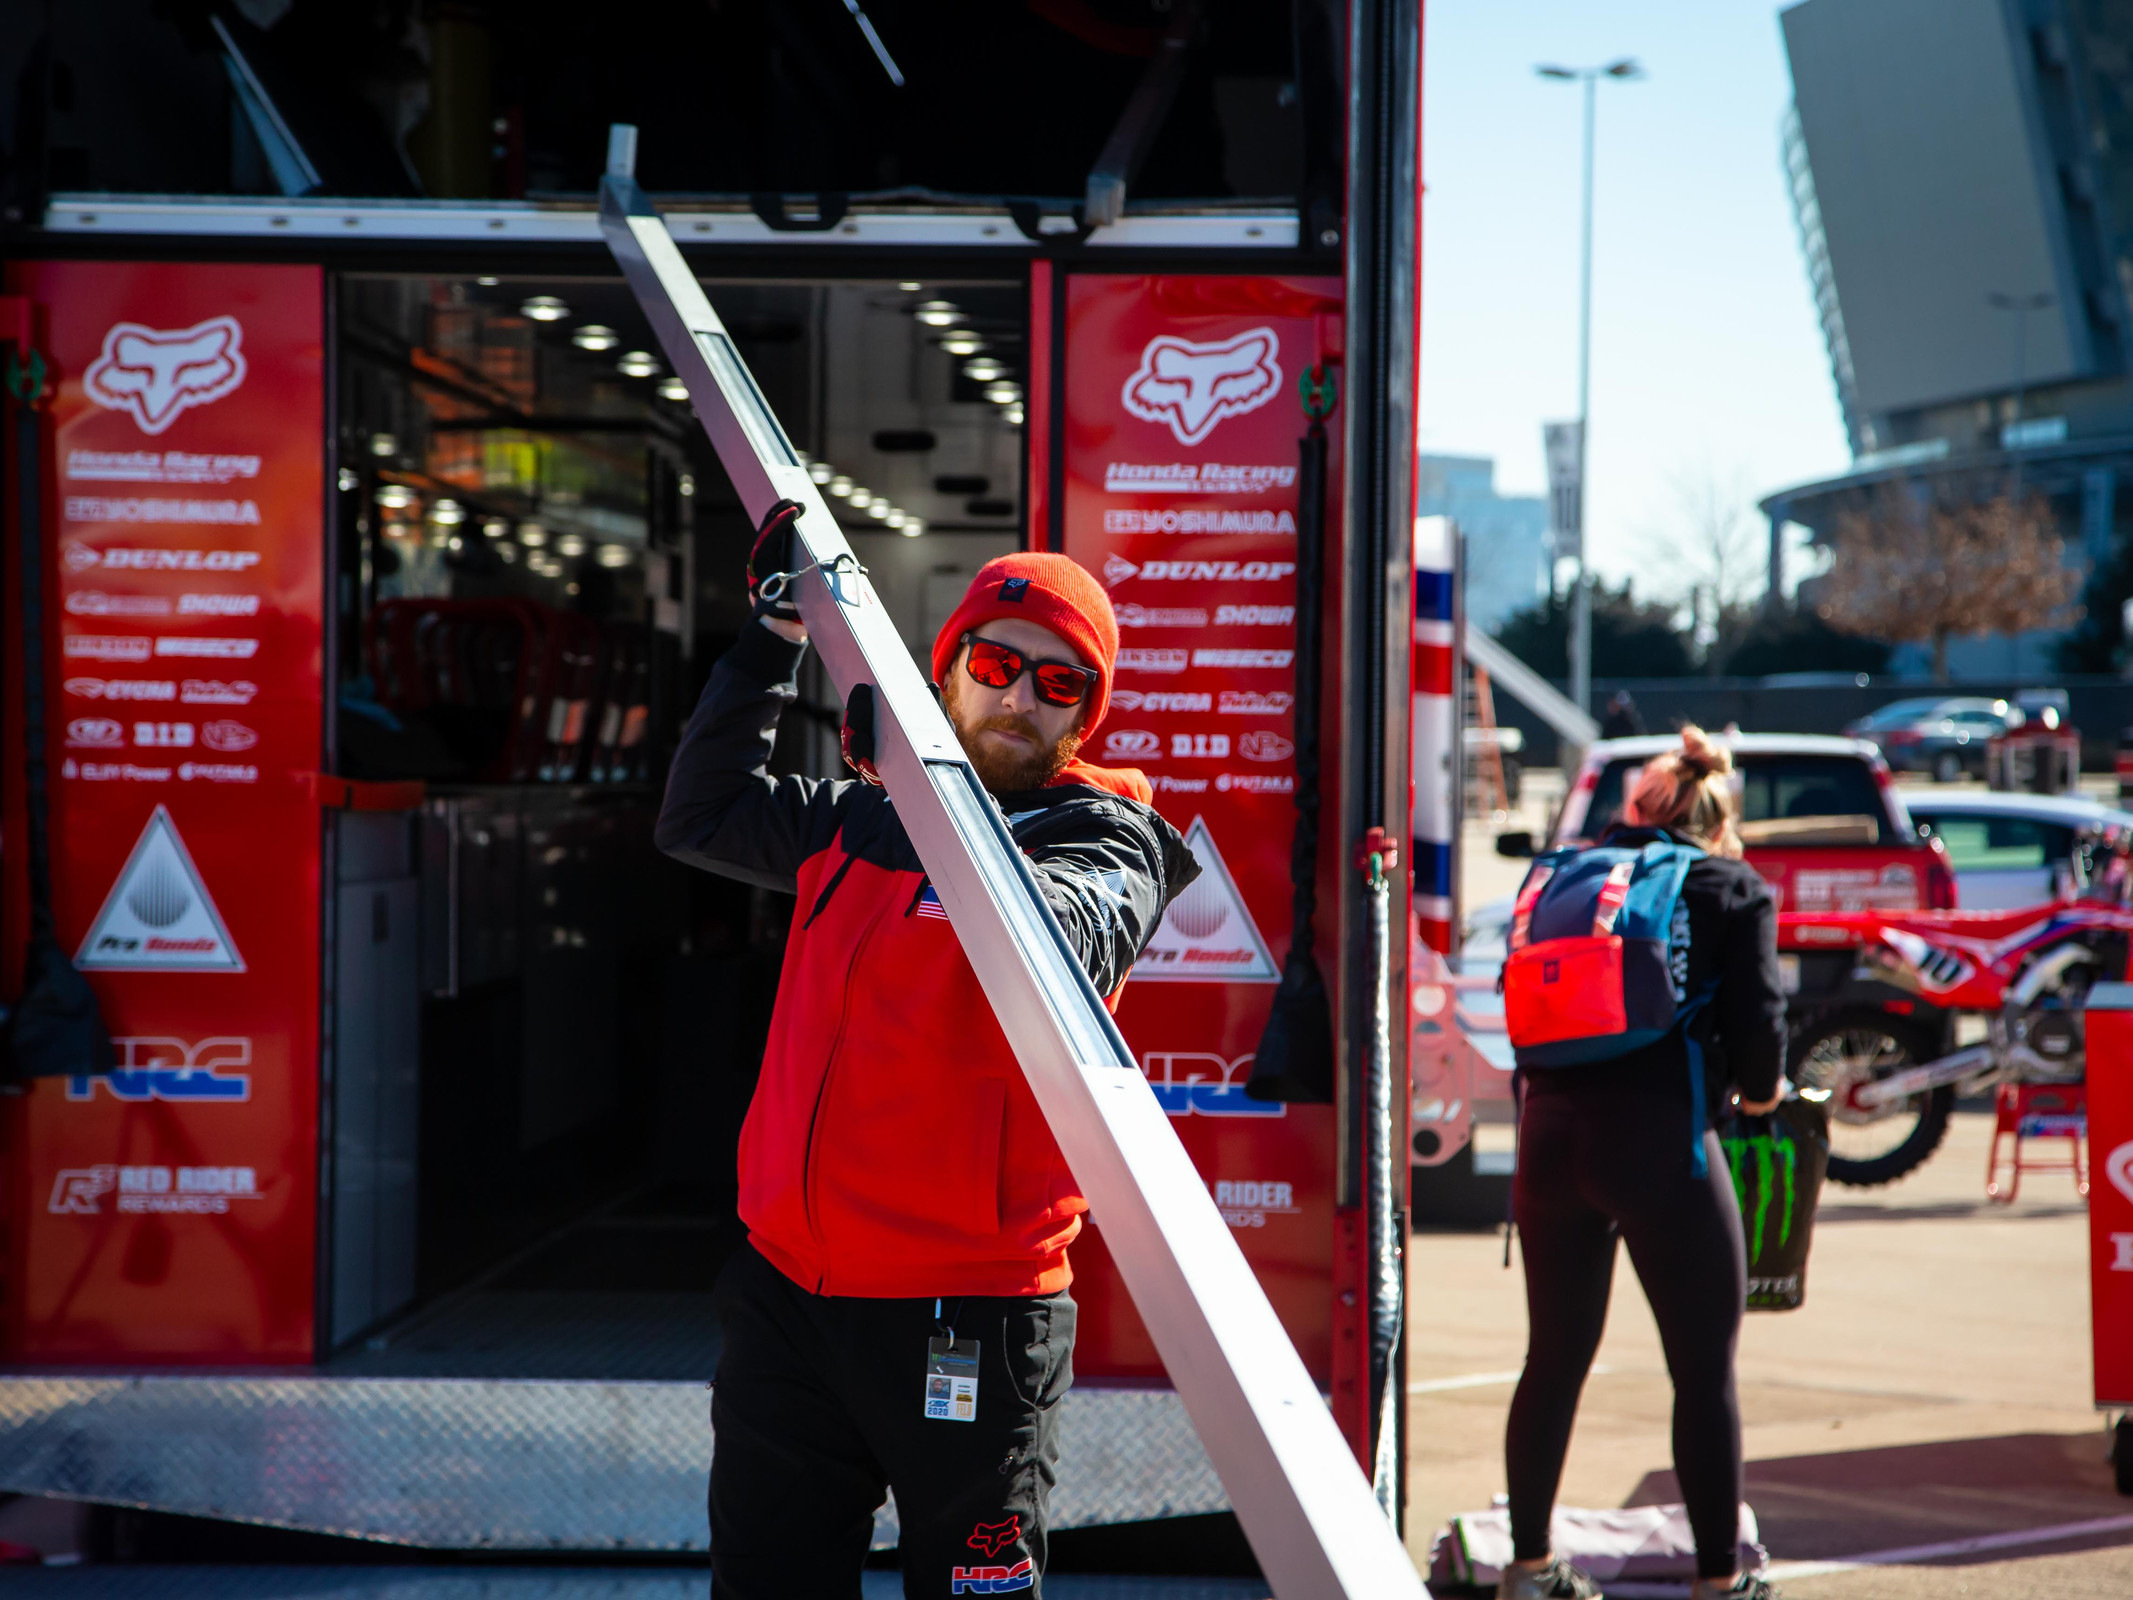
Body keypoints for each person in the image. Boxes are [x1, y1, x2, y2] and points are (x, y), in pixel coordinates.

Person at [657, 544, 1198, 1600]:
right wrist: (774, 636)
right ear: (946, 667)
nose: (1020, 700)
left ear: (1085, 713)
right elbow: (700, 815)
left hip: (971, 1315)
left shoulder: (1109, 835)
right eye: (996, 666)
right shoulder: (863, 818)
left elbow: (1066, 939)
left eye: (1059, 683)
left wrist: (932, 795)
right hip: (787, 1297)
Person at [1500, 726, 1786, 1600]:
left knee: (1551, 1359)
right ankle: (1718, 1583)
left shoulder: (1563, 877)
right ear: (1719, 821)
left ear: (1635, 808)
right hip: (1662, 1144)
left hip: (1547, 1140)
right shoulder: (1728, 884)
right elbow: (1761, 1036)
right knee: (1700, 1372)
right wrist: (1760, 1097)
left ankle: (1529, 1570)